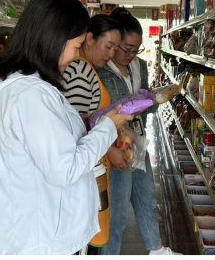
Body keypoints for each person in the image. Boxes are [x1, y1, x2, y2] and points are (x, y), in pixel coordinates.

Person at [0, 0, 133, 255]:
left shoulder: (30, 89)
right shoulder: (31, 96)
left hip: (39, 236)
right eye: (75, 46)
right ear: (53, 39)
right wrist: (108, 126)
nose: (75, 56)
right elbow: (65, 169)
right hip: (35, 243)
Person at [97, 8, 181, 255]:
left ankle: (157, 249)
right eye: (126, 49)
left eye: (137, 49)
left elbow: (143, 104)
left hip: (138, 143)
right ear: (115, 43)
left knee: (147, 198)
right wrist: (110, 147)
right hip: (116, 147)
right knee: (118, 214)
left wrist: (156, 98)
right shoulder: (101, 70)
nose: (131, 55)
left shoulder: (140, 66)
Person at [62, 14, 131, 252]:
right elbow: (76, 129)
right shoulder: (80, 71)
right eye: (108, 46)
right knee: (86, 238)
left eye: (115, 48)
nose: (111, 54)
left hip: (90, 165)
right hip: (86, 169)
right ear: (89, 39)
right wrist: (110, 149)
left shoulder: (87, 68)